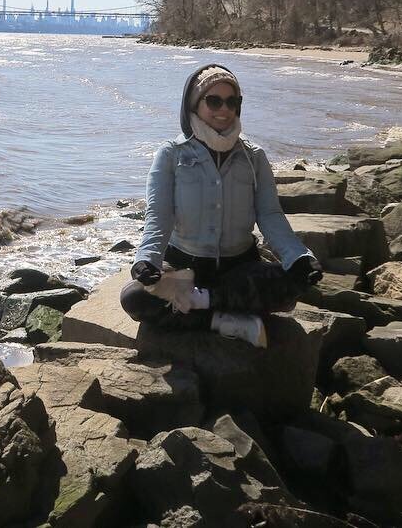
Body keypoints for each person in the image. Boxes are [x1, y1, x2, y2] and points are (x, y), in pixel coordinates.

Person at [120, 63, 323, 347]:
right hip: (184, 268)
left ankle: (202, 303)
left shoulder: (254, 157)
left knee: (295, 282)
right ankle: (224, 319)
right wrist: (147, 260)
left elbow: (270, 215)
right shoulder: (171, 154)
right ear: (194, 103)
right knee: (134, 298)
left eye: (232, 101)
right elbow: (158, 216)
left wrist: (298, 257)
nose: (224, 109)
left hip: (238, 268)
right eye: (213, 100)